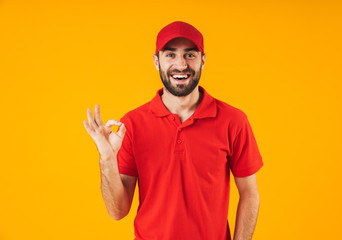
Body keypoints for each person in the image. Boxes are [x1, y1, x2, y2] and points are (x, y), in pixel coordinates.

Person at [84, 21, 264, 240]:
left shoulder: (233, 121)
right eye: (170, 55)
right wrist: (107, 159)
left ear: (203, 60)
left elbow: (249, 194)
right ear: (156, 61)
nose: (181, 65)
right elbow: (117, 211)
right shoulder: (131, 124)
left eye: (190, 55)